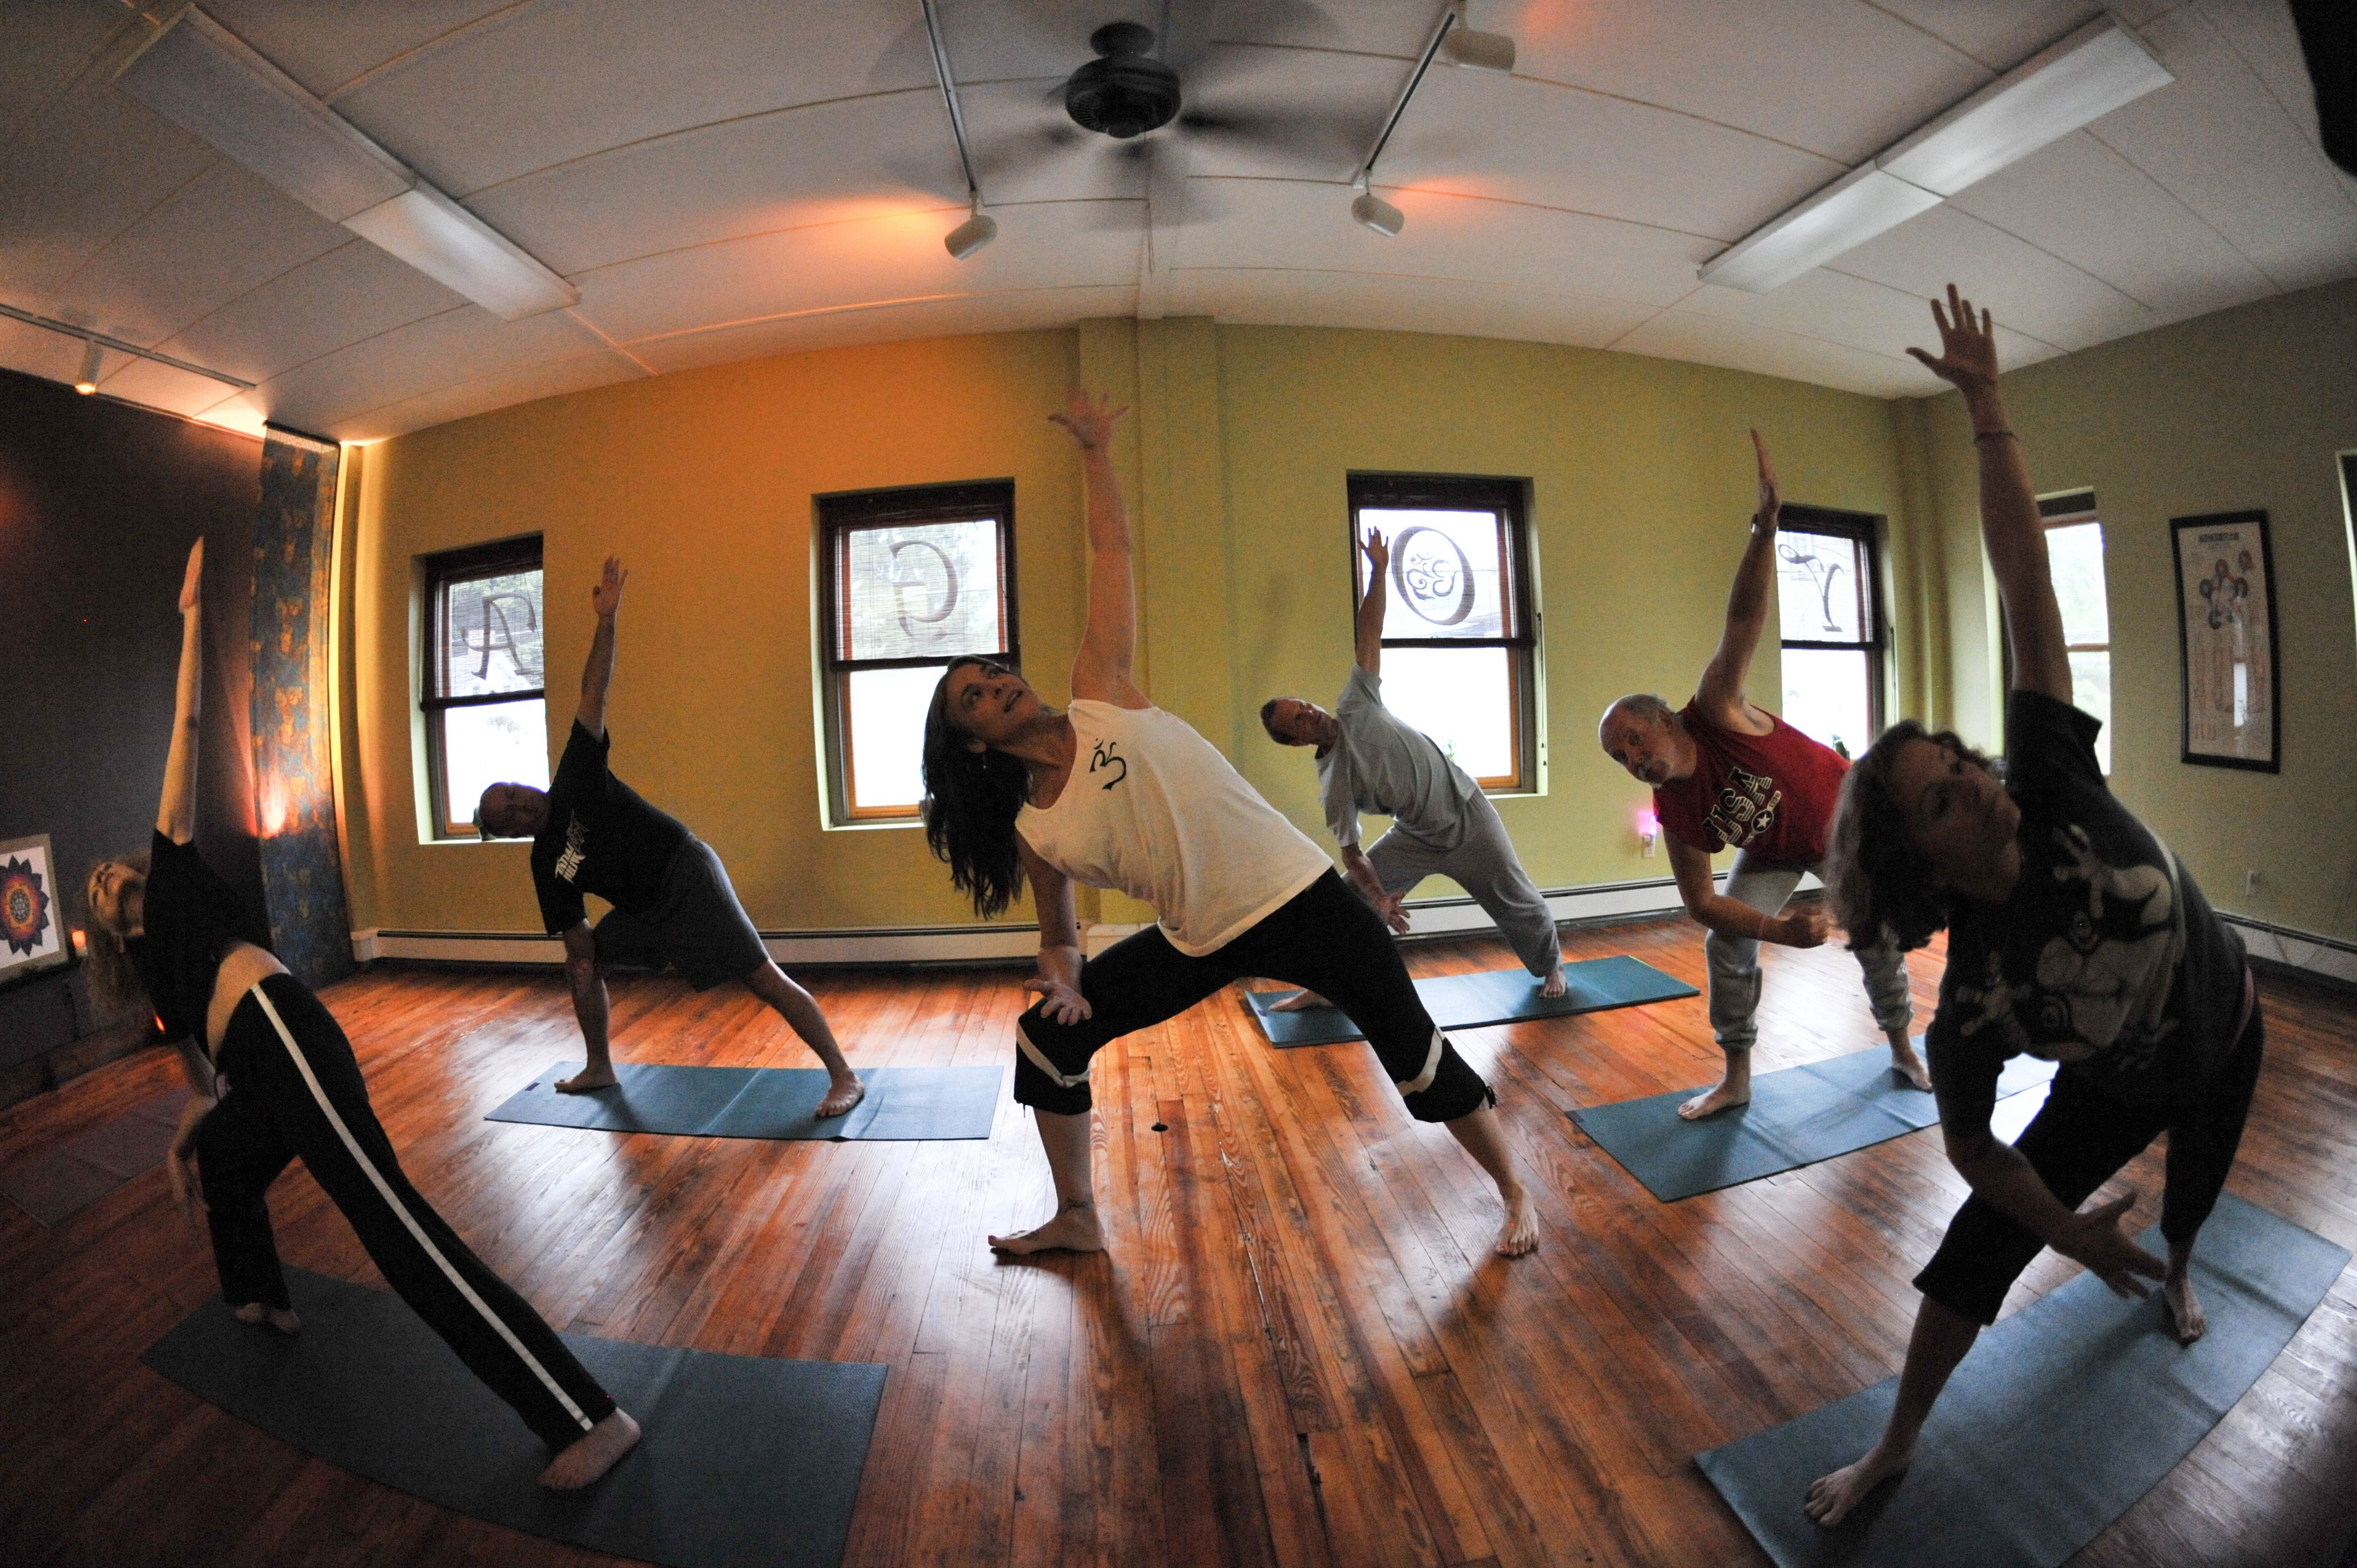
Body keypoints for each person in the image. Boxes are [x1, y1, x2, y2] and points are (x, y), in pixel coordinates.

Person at [1804, 286, 2261, 1526]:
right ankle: (1893, 1445)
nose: (1981, 787)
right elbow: (1967, 1147)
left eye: (1963, 765)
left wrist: (1990, 410)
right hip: (2110, 1082)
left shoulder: (2051, 775)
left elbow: (2024, 589)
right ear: (1926, 868)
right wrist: (2064, 1232)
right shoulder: (1977, 1005)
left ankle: (2172, 1261)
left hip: (2226, 1026)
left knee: (2191, 1200)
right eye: (1947, 800)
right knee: (1970, 1253)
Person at [921, 392, 1538, 1258]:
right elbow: (1057, 934)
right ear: (975, 743)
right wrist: (1063, 980)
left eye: (991, 669)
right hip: (1197, 937)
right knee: (1043, 1041)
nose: (995, 682)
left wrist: (1096, 450)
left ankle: (1515, 1191)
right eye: (974, 695)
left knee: (1415, 1052)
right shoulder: (1034, 826)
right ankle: (1079, 1218)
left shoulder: (1099, 688)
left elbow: (1113, 549)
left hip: (1302, 898)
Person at [81, 540, 639, 1490]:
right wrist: (187, 1140)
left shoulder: (172, 863)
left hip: (284, 1029)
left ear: (134, 871)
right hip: (251, 1063)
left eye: (111, 875)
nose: (108, 887)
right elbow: (201, 1082)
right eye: (97, 895)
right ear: (102, 928)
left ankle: (584, 1412)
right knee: (226, 1154)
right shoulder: (159, 983)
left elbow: (188, 719)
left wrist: (190, 617)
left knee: (396, 1229)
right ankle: (258, 1294)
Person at [1597, 429, 1924, 1119]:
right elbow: (1702, 903)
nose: (1634, 760)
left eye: (1632, 740)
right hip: (1776, 851)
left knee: (1876, 936)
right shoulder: (1674, 812)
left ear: (1661, 717)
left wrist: (1764, 528)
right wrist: (1777, 933)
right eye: (1621, 759)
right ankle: (1737, 1075)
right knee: (1726, 942)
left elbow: (1743, 616)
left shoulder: (1714, 708)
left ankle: (1900, 1045)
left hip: (1847, 825)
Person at [475, 557, 861, 1115]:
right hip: (645, 913)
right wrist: (585, 960)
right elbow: (576, 935)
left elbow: (592, 693)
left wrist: (606, 619)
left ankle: (844, 1075)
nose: (519, 799)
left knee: (761, 979)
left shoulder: (576, 777)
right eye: (507, 808)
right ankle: (599, 1065)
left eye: (512, 789)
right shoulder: (545, 865)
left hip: (685, 875)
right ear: (509, 831)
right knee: (581, 965)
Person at [1260, 525, 1566, 1009]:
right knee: (1347, 904)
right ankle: (1322, 988)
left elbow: (1369, 631)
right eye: (1298, 719)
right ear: (1295, 740)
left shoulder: (1355, 701)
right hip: (1417, 838)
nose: (1310, 712)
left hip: (1467, 814)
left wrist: (1380, 569)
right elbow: (1352, 854)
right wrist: (1381, 899)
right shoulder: (1333, 784)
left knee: (1518, 903)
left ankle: (1551, 965)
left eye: (1304, 704)